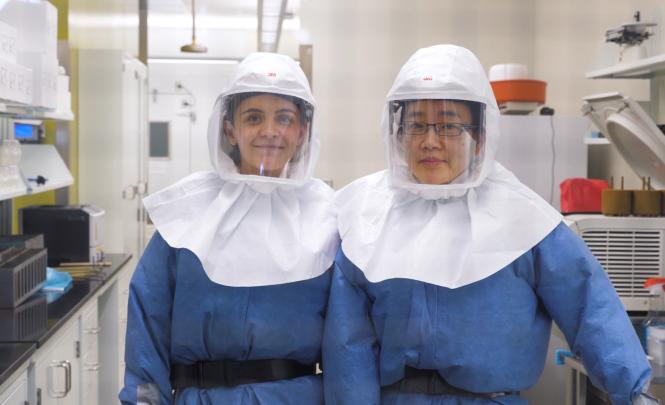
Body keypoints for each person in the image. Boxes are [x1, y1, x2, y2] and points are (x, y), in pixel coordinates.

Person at [323, 44, 658, 405]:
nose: (430, 141)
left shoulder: (526, 220)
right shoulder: (367, 216)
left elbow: (590, 308)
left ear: (481, 135)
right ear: (397, 133)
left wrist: (634, 392)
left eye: (450, 126)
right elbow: (348, 345)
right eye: (416, 125)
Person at [119, 52, 339, 405]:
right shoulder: (188, 214)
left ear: (302, 131)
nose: (270, 131)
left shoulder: (328, 218)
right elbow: (148, 326)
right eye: (254, 117)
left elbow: (346, 342)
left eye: (284, 118)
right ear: (229, 128)